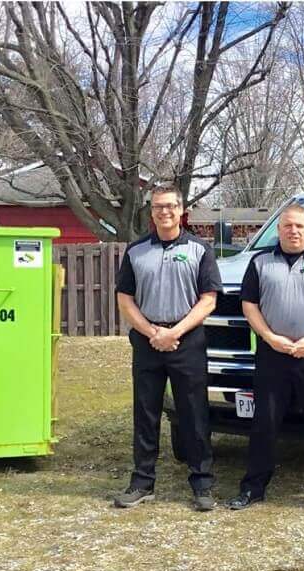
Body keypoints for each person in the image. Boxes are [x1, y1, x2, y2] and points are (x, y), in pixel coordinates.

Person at [226, 204, 304, 515]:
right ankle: (253, 488)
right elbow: (249, 305)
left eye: (299, 226)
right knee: (264, 423)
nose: (293, 231)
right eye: (287, 226)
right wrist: (271, 338)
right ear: (278, 230)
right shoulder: (260, 263)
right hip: (273, 354)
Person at [112, 183, 222, 511]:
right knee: (145, 412)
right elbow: (124, 299)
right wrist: (152, 332)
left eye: (170, 206)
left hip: (187, 339)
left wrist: (175, 331)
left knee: (194, 413)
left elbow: (209, 300)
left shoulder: (200, 250)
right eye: (158, 206)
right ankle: (142, 481)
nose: (164, 212)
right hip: (147, 340)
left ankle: (202, 483)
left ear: (180, 210)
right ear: (152, 211)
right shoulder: (136, 251)